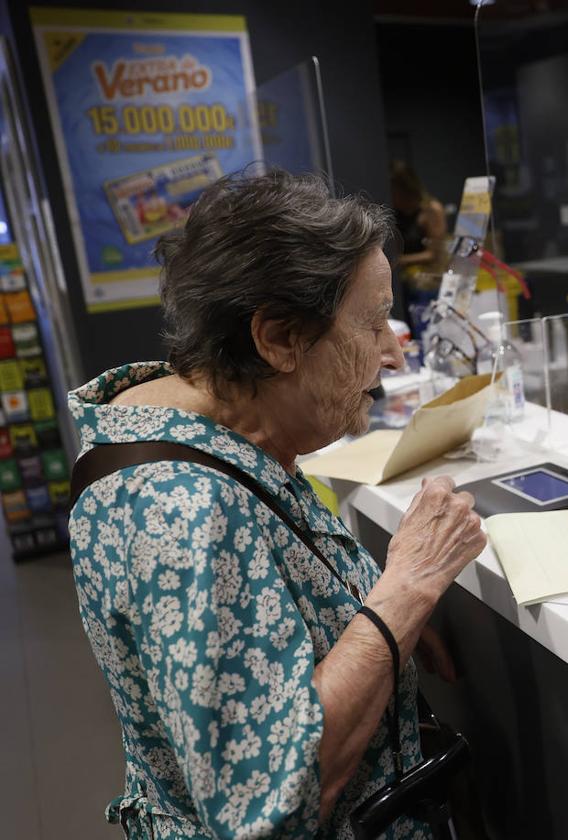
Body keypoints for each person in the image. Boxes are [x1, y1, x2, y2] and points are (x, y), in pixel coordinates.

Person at [69, 170, 485, 838]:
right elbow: (269, 809)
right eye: (373, 324)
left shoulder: (198, 432)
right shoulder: (182, 511)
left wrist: (359, 621)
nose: (392, 351)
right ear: (278, 339)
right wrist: (405, 590)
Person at [390, 161, 448, 276]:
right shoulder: (395, 212)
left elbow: (434, 254)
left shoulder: (431, 210)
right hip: (403, 278)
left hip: (426, 279)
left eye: (393, 190)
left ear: (405, 189)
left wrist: (398, 261)